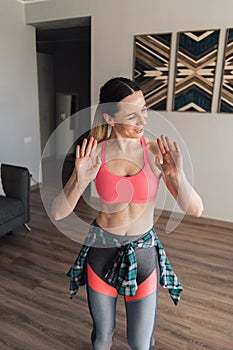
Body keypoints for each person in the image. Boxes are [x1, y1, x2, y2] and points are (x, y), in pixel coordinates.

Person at [51, 77, 204, 350]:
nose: (142, 120)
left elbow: (195, 209)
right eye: (132, 115)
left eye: (143, 110)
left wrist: (176, 176)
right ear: (110, 118)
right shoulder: (95, 154)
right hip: (101, 251)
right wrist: (79, 179)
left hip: (143, 252)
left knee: (140, 343)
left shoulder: (156, 152)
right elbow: (59, 212)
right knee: (102, 337)